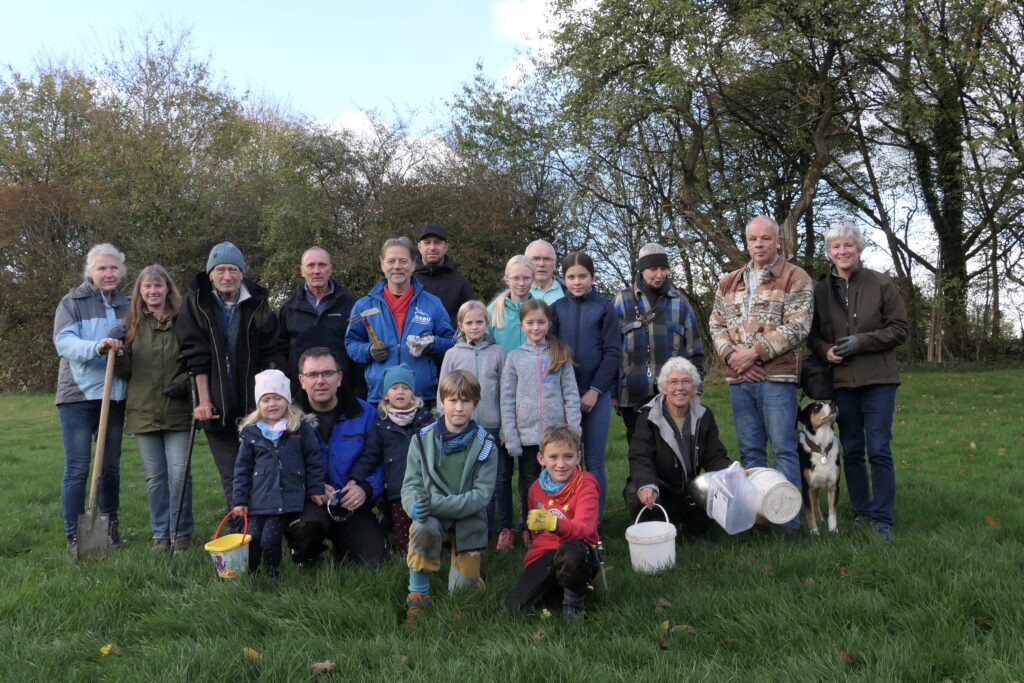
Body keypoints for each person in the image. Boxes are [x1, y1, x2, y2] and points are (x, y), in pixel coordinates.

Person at [709, 216, 814, 533]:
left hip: (777, 381)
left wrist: (754, 355)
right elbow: (716, 324)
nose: (759, 244)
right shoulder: (729, 281)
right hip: (740, 381)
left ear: (778, 240)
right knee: (751, 452)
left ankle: (788, 522)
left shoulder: (795, 277)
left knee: (784, 449)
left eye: (765, 238)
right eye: (753, 239)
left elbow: (797, 326)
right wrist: (732, 356)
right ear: (747, 241)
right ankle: (758, 519)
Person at [808, 220, 909, 541]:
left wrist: (862, 342)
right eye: (836, 246)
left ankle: (883, 518)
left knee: (879, 448)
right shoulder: (820, 290)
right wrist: (825, 351)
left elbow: (900, 329)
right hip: (842, 383)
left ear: (859, 248)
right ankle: (862, 512)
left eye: (848, 245)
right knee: (851, 449)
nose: (842, 251)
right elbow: (810, 336)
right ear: (829, 252)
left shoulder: (881, 284)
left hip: (879, 378)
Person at [175, 241, 286, 510]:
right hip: (215, 401)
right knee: (231, 472)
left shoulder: (258, 303)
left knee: (258, 467)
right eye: (221, 269)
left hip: (252, 400)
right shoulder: (197, 301)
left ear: (242, 273)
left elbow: (272, 349)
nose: (227, 276)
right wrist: (203, 401)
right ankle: (240, 531)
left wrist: (272, 396)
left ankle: (261, 524)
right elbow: (195, 354)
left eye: (233, 270)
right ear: (210, 273)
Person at [402, 370, 498, 624]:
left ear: (475, 405)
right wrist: (414, 507)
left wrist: (434, 503)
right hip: (432, 517)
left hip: (469, 518)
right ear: (441, 402)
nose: (458, 407)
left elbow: (480, 497)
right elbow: (410, 485)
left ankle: (471, 580)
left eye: (465, 401)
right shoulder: (421, 440)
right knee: (422, 529)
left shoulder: (486, 444)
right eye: (452, 400)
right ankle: (418, 597)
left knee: (461, 599)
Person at [54, 243, 130, 555]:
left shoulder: (127, 304)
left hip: (113, 395)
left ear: (121, 272)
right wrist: (97, 346)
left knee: (110, 466)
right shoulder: (73, 301)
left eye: (113, 268)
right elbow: (64, 342)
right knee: (78, 466)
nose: (108, 273)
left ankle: (110, 527)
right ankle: (75, 535)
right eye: (102, 268)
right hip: (78, 395)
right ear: (90, 272)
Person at [114, 265, 194, 552]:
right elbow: (123, 371)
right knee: (155, 479)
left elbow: (195, 361)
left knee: (179, 473)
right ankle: (161, 535)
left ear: (167, 289)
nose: (153, 291)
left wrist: (183, 383)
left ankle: (181, 533)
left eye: (158, 286)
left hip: (177, 410)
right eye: (147, 287)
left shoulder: (183, 321)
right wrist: (118, 348)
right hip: (143, 411)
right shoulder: (133, 324)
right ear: (140, 292)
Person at [285, 347, 389, 566]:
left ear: (339, 377)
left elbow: (380, 460)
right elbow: (279, 467)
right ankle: (309, 552)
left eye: (328, 373)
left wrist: (366, 489)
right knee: (305, 533)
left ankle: (346, 544)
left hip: (351, 504)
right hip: (309, 502)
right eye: (313, 375)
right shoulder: (287, 419)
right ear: (302, 380)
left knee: (374, 561)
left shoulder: (365, 413)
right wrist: (311, 487)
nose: (320, 380)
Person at [500, 300, 582, 548]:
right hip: (526, 436)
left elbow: (570, 394)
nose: (536, 327)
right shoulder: (514, 358)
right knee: (529, 482)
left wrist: (574, 430)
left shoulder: (560, 353)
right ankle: (529, 527)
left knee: (559, 482)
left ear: (549, 323)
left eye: (541, 322)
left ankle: (560, 523)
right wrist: (510, 435)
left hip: (556, 437)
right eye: (530, 322)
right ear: (522, 324)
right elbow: (507, 397)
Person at [623, 357, 733, 538]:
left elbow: (715, 455)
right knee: (636, 490)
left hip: (689, 489)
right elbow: (640, 456)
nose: (679, 388)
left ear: (694, 387)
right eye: (673, 382)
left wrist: (731, 474)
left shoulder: (704, 415)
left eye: (686, 382)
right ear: (664, 387)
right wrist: (647, 484)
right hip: (660, 487)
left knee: (718, 488)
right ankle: (654, 531)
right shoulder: (647, 416)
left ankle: (687, 531)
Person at [232, 369, 326, 578]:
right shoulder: (252, 433)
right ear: (259, 404)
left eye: (277, 398)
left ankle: (273, 574)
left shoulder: (299, 429)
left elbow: (313, 460)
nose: (272, 404)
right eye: (266, 399)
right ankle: (253, 574)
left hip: (283, 500)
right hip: (258, 499)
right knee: (252, 538)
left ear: (287, 401)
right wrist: (239, 500)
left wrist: (316, 488)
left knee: (269, 539)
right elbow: (242, 469)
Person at [551, 252, 621, 523]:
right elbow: (551, 352)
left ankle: (593, 522)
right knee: (567, 460)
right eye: (571, 277)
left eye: (582, 276)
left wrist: (595, 390)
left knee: (593, 461)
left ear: (592, 277)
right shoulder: (556, 309)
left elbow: (613, 353)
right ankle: (567, 517)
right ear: (564, 279)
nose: (577, 282)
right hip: (564, 396)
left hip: (597, 395)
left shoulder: (605, 308)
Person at [506, 425, 600, 622]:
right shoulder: (535, 489)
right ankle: (558, 591)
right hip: (547, 553)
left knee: (572, 553)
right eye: (553, 457)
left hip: (579, 551)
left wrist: (554, 523)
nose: (561, 464)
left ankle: (573, 605)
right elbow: (537, 536)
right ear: (541, 459)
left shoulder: (586, 485)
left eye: (568, 456)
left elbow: (585, 529)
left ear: (578, 457)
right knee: (515, 609)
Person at [613, 242, 705, 445]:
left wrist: (697, 389)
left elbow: (695, 350)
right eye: (653, 269)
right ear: (641, 270)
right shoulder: (622, 300)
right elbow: (613, 350)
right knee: (639, 452)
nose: (659, 274)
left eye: (663, 269)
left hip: (673, 393)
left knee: (674, 449)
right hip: (633, 392)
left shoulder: (680, 302)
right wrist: (614, 393)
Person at [345, 237, 456, 405]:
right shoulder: (364, 305)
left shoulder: (432, 304)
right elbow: (351, 343)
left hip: (421, 397)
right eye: (391, 261)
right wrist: (368, 351)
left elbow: (451, 342)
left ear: (413, 265)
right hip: (381, 398)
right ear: (382, 265)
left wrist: (433, 344)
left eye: (403, 261)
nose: (397, 266)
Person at [437, 300, 508, 547]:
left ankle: (489, 531)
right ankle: (460, 531)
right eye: (469, 322)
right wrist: (443, 425)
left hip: (491, 426)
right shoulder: (452, 354)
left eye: (479, 322)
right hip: (461, 428)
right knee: (463, 480)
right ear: (461, 325)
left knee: (492, 480)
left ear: (487, 324)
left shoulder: (498, 353)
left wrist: (505, 427)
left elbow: (505, 391)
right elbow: (442, 393)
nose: (475, 326)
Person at [349, 364, 435, 554]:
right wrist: (355, 477)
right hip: (397, 488)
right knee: (402, 526)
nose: (400, 392)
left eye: (405, 388)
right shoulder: (381, 424)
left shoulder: (425, 419)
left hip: (424, 485)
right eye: (394, 388)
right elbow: (370, 455)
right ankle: (406, 555)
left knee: (425, 521)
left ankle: (429, 552)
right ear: (386, 394)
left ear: (413, 393)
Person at [278, 246, 363, 398]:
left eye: (322, 265)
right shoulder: (289, 308)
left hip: (343, 395)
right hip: (300, 396)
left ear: (330, 269)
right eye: (311, 265)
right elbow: (281, 354)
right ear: (302, 271)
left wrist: (357, 394)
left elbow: (358, 352)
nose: (316, 270)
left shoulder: (351, 305)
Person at [412, 223, 476, 323]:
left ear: (445, 247)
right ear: (419, 247)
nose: (432, 247)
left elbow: (472, 321)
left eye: (437, 242)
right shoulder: (408, 281)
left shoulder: (460, 284)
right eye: (427, 242)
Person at [487, 255, 535, 353]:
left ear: (533, 279)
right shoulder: (492, 311)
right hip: (502, 368)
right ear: (507, 279)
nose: (521, 283)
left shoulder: (541, 310)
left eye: (526, 278)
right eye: (516, 278)